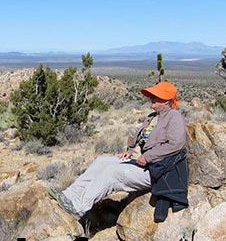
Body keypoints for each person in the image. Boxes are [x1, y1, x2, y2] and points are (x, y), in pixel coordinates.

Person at [48, 81, 189, 222]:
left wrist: (148, 156)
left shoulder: (174, 117)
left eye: (156, 96)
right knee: (102, 161)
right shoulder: (153, 116)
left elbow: (177, 143)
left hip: (159, 170)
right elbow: (140, 136)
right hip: (147, 164)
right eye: (152, 95)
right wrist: (130, 150)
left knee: (112, 173)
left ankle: (79, 207)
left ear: (166, 101)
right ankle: (69, 196)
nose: (151, 98)